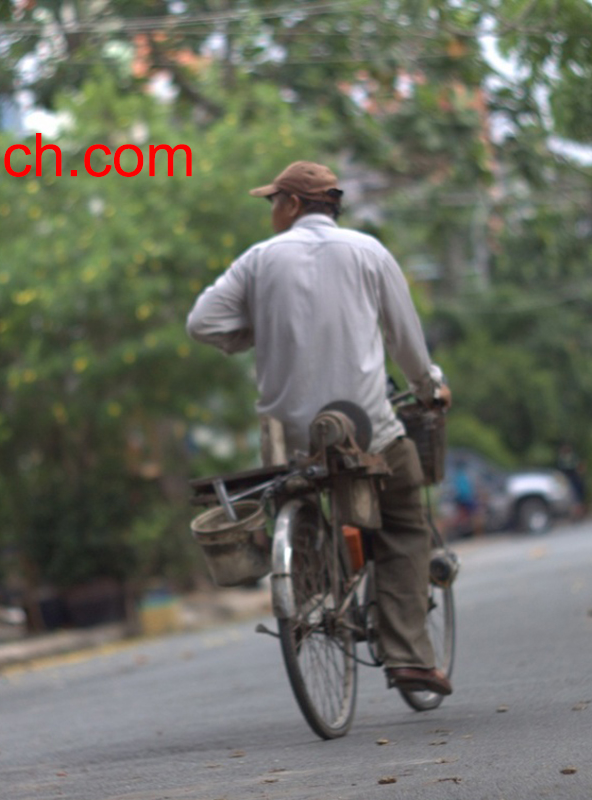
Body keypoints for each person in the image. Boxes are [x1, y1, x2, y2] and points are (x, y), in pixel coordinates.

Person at [186, 161, 453, 696]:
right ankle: (407, 655)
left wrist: (256, 333)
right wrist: (429, 388)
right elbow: (405, 339)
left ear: (291, 204)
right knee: (403, 521)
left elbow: (203, 323)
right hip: (368, 430)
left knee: (308, 488)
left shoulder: (259, 260)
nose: (271, 214)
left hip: (295, 441)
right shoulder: (368, 251)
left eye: (273, 203)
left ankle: (316, 578)